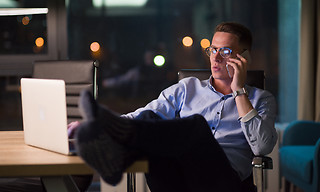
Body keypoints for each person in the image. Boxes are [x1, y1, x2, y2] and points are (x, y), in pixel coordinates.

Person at [75, 21, 278, 192]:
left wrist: (239, 90)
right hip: (177, 179)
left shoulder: (261, 99)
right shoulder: (187, 87)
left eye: (225, 51)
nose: (215, 58)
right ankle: (115, 148)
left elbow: (261, 147)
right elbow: (145, 114)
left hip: (222, 182)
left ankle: (119, 156)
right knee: (149, 117)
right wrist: (97, 125)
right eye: (213, 50)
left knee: (196, 126)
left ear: (244, 58)